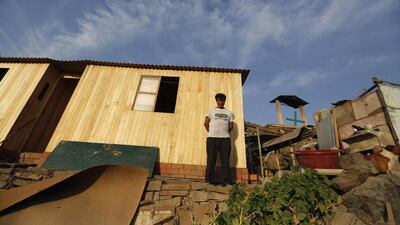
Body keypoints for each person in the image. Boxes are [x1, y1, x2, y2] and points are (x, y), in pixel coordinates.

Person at [204, 93, 234, 185]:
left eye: (222, 100)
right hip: (212, 138)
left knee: (225, 160)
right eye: (219, 100)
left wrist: (224, 133)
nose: (221, 102)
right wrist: (211, 132)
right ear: (216, 101)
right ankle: (209, 180)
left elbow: (231, 126)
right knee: (211, 159)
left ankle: (225, 181)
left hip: (225, 139)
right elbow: (205, 123)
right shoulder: (211, 111)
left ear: (224, 101)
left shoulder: (229, 113)